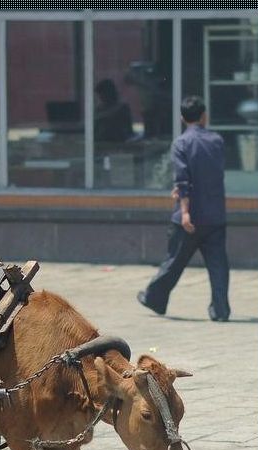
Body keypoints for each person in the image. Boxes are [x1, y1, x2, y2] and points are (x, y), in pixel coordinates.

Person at [137, 95, 230, 322]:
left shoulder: (181, 143)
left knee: (174, 261)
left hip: (190, 216)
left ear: (181, 118)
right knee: (218, 265)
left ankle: (154, 298)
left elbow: (183, 180)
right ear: (203, 116)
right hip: (215, 214)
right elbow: (212, 174)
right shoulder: (217, 141)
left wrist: (185, 210)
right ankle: (221, 310)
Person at [94, 78, 135, 143]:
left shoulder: (122, 108)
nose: (101, 97)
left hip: (119, 144)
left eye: (103, 94)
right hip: (100, 144)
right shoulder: (99, 109)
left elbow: (129, 130)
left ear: (110, 92)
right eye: (100, 95)